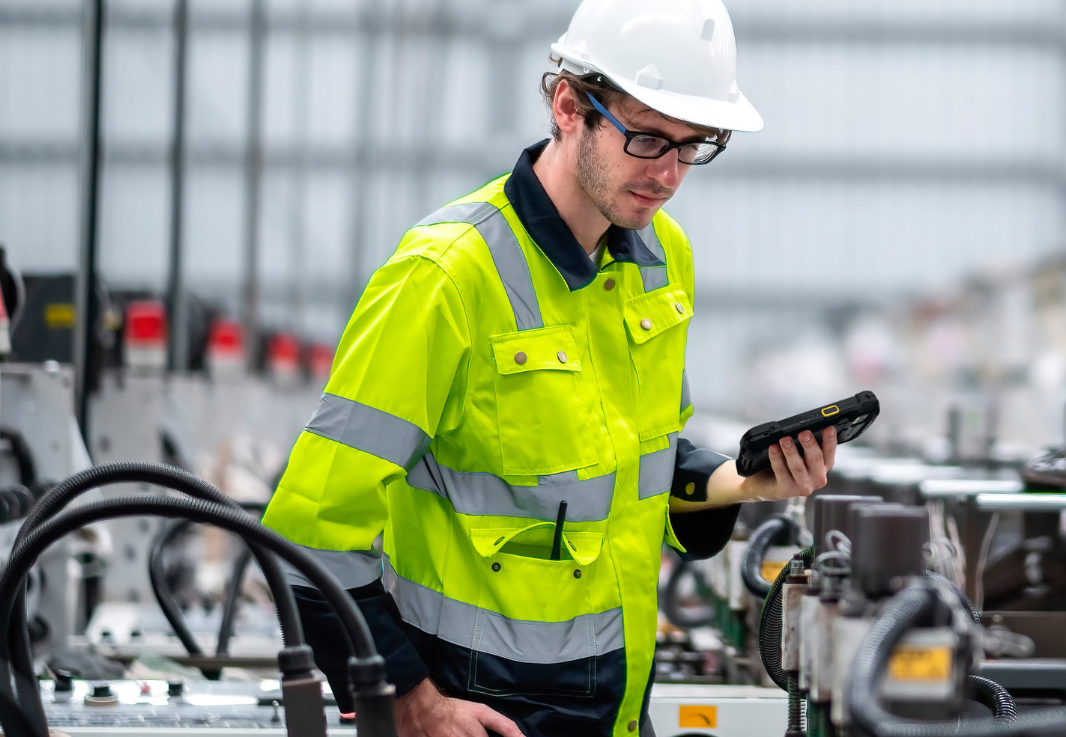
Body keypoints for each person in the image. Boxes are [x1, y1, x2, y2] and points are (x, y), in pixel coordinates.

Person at [261, 1, 836, 734]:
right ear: (569, 105)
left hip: (615, 709)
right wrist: (408, 699)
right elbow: (310, 529)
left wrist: (743, 481)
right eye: (649, 138)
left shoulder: (663, 261)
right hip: (480, 712)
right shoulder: (446, 276)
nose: (668, 175)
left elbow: (638, 460)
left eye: (695, 146)